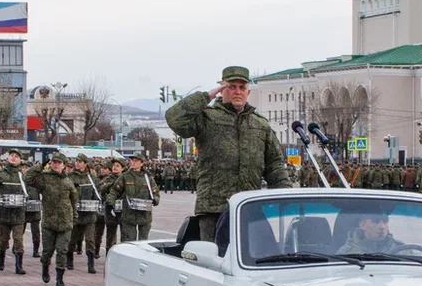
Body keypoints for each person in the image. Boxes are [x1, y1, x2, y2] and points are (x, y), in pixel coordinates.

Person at [165, 65, 290, 241]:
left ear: (248, 92)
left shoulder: (260, 125)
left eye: (242, 87)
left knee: (252, 262)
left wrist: (285, 198)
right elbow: (174, 118)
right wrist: (205, 97)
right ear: (222, 89)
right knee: (214, 261)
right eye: (231, 87)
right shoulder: (207, 118)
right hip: (214, 209)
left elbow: (275, 165)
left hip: (249, 209)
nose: (237, 91)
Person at [25, 153, 78, 286]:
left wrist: (74, 218)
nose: (55, 164)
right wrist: (40, 165)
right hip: (49, 221)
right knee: (47, 251)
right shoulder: (45, 178)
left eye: (59, 162)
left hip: (65, 222)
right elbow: (27, 178)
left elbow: (73, 201)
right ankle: (45, 269)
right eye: (53, 162)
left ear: (64, 165)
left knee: (62, 250)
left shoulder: (68, 181)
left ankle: (60, 279)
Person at [107, 153, 160, 241]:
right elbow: (115, 190)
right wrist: (110, 202)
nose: (133, 162)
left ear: (142, 163)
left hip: (145, 215)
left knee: (143, 242)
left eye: (136, 161)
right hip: (129, 214)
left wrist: (155, 199)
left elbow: (155, 192)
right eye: (132, 160)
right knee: (129, 242)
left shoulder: (148, 177)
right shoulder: (125, 176)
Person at [0, 149, 29, 274]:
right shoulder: (0, 173)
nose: (14, 158)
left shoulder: (23, 175)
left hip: (18, 214)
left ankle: (19, 266)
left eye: (17, 156)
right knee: (3, 240)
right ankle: (0, 260)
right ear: (7, 158)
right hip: (3, 213)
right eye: (12, 156)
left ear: (20, 160)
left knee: (18, 240)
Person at [67, 154, 102, 273]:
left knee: (90, 239)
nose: (77, 163)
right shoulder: (69, 177)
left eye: (80, 161)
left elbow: (98, 195)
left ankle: (91, 264)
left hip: (89, 215)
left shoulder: (92, 179)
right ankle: (69, 259)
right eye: (76, 161)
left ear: (85, 163)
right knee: (72, 239)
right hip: (75, 214)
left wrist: (95, 203)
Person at [336, 210, 409, 255]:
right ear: (362, 224)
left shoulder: (403, 250)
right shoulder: (345, 254)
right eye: (375, 221)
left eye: (385, 221)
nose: (382, 227)